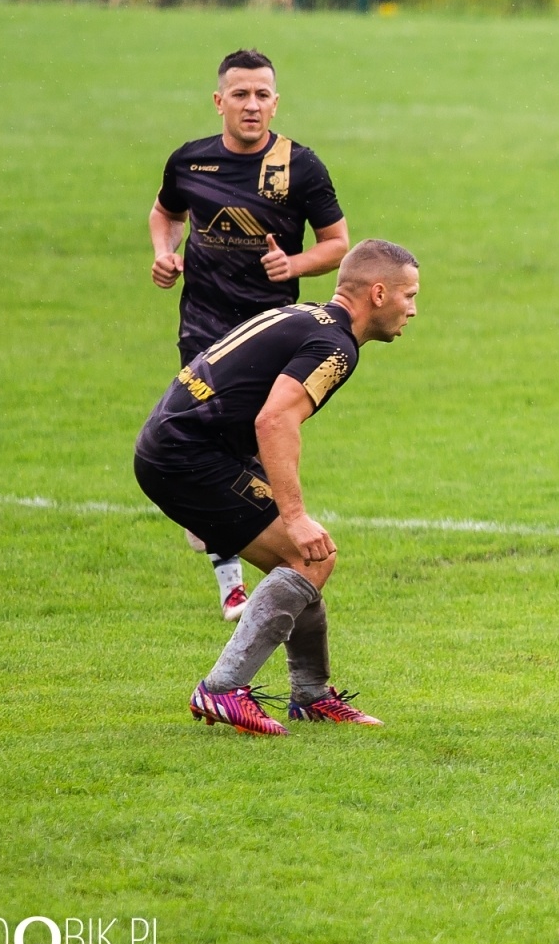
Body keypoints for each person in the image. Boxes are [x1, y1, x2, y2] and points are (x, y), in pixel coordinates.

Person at [134, 240, 419, 736]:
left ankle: (311, 696)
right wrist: (293, 515)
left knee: (304, 562)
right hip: (189, 454)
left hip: (178, 443)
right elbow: (274, 420)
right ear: (378, 293)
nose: (413, 309)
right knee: (309, 555)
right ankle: (222, 689)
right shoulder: (336, 347)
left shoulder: (307, 316)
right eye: (409, 295)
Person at [148, 47, 351, 620]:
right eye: (240, 94)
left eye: (263, 94)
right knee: (224, 451)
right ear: (219, 102)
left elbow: (338, 245)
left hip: (268, 340)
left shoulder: (300, 167)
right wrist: (164, 254)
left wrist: (295, 266)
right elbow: (165, 213)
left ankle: (215, 536)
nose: (252, 105)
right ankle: (232, 585)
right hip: (205, 335)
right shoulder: (190, 163)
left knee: (246, 454)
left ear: (276, 101)